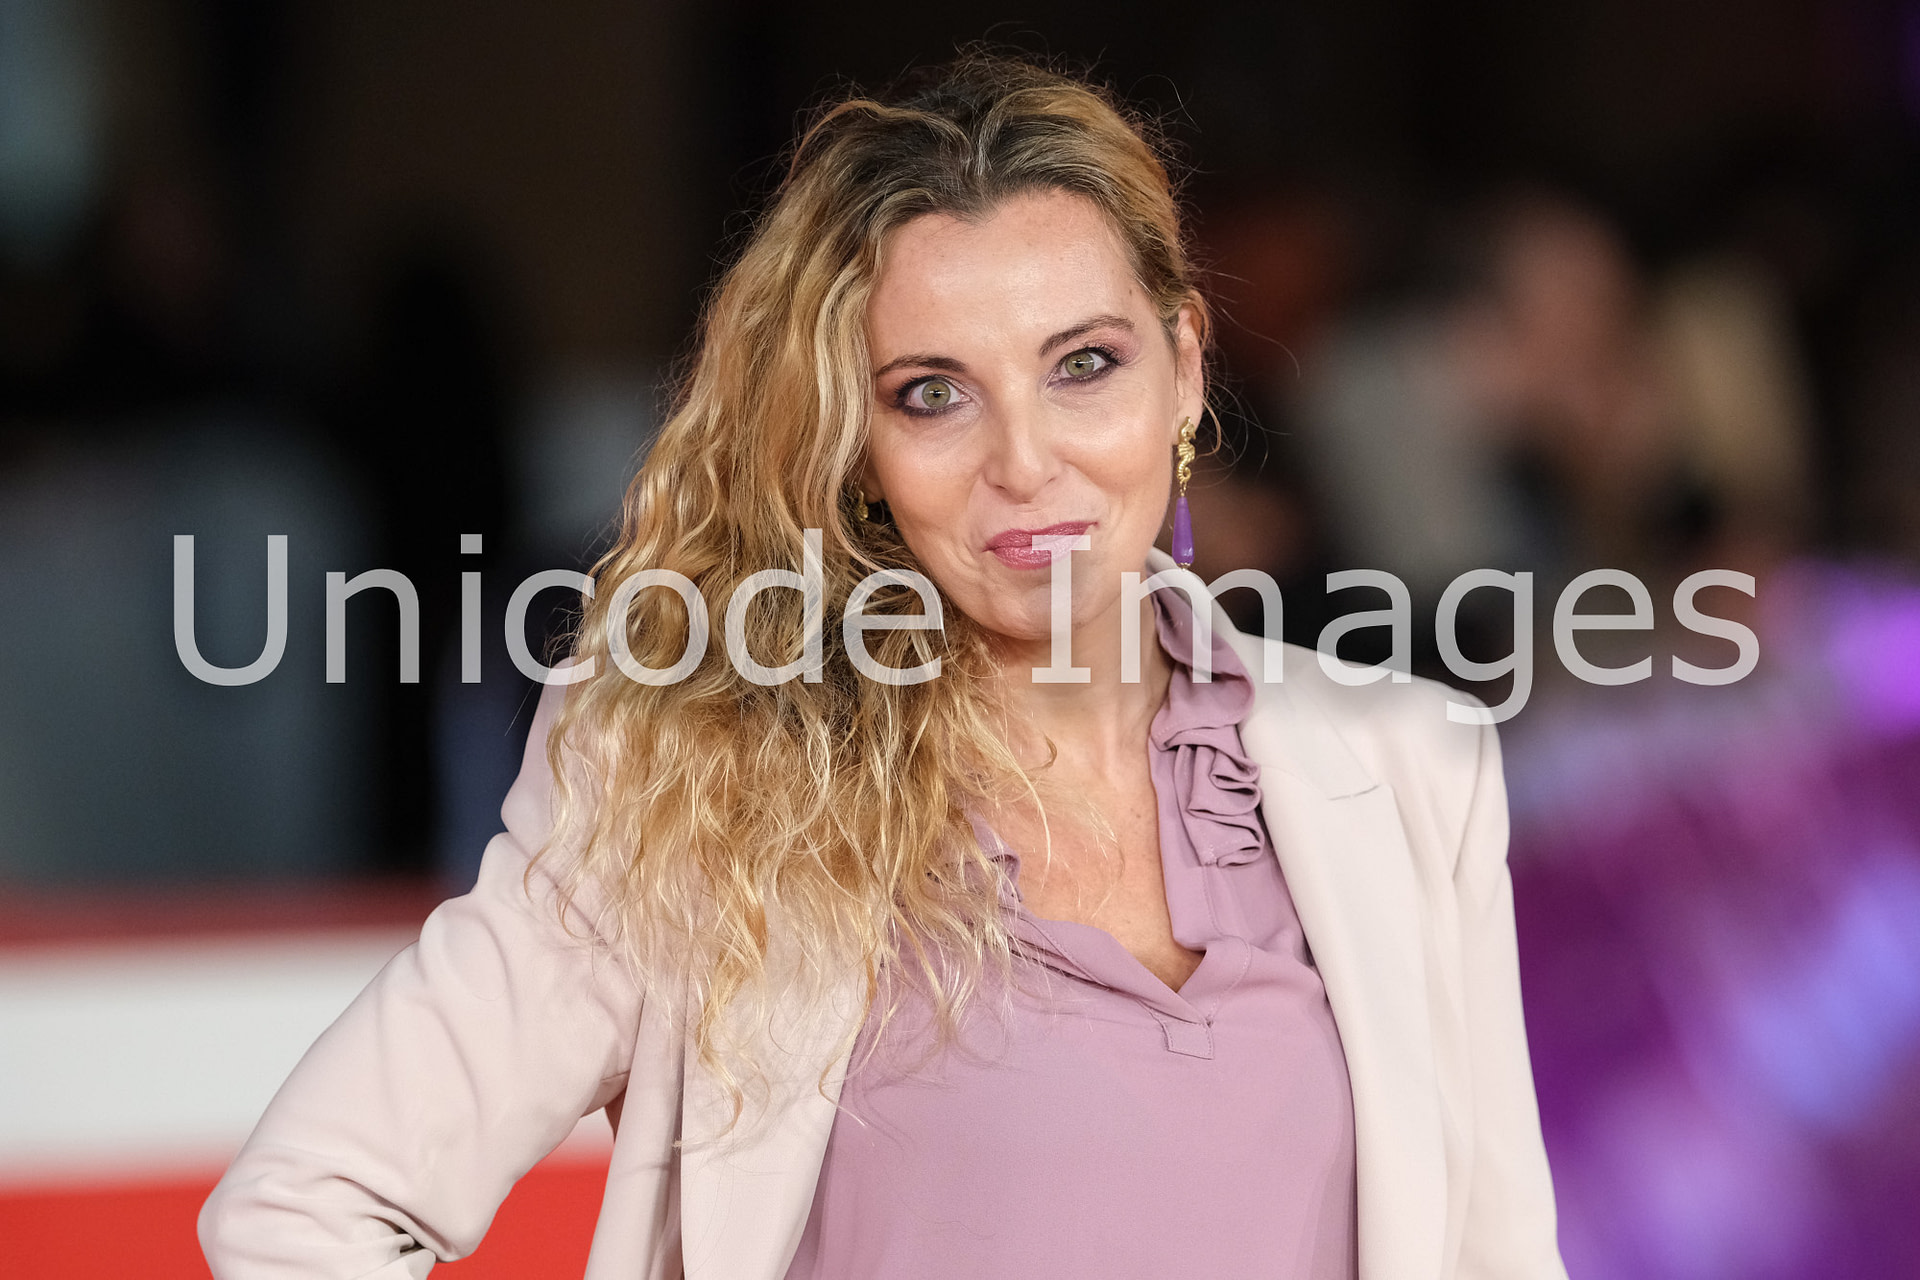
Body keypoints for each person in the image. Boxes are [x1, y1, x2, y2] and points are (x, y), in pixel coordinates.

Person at [200, 55, 1567, 1280]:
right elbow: (306, 1206)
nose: (1025, 462)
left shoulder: (1409, 763)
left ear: (1187, 369)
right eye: (934, 394)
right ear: (856, 444)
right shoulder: (706, 773)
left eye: (1084, 366)